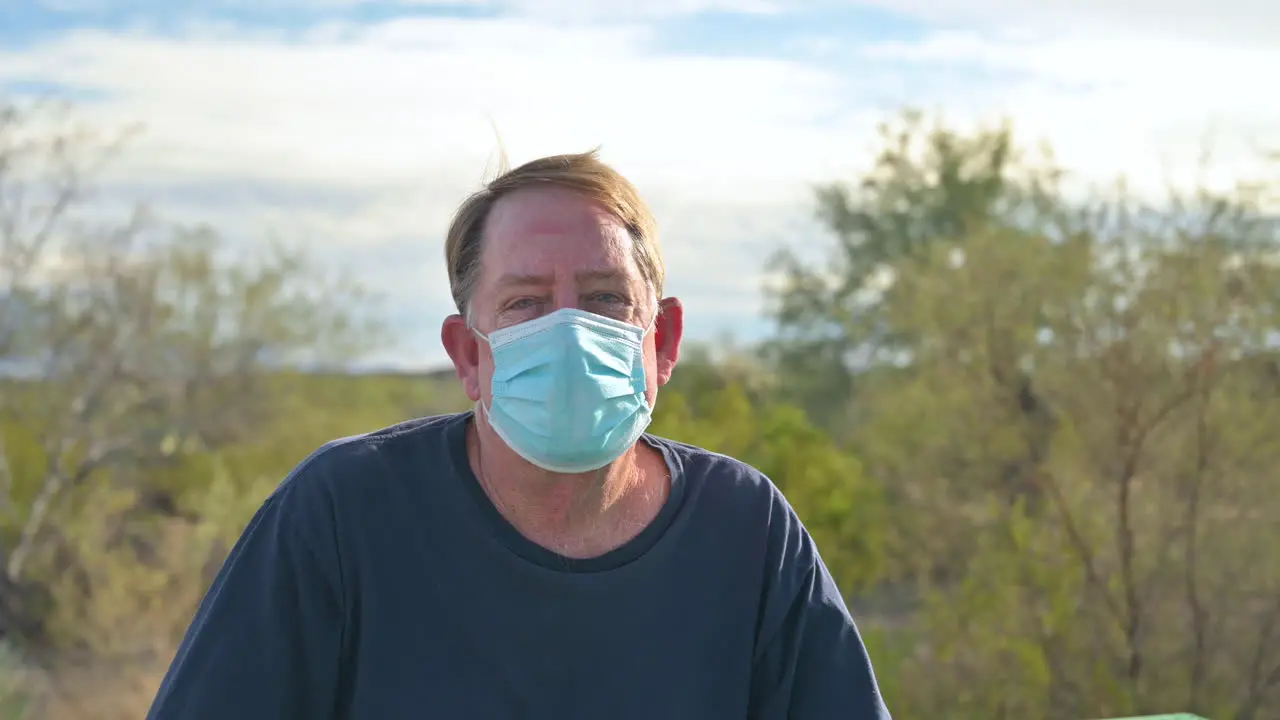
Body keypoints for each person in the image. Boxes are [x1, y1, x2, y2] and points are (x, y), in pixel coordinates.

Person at [145, 150, 891, 719]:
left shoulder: (746, 532)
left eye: (604, 300)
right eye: (526, 304)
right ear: (469, 355)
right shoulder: (344, 515)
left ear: (661, 341)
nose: (569, 331)